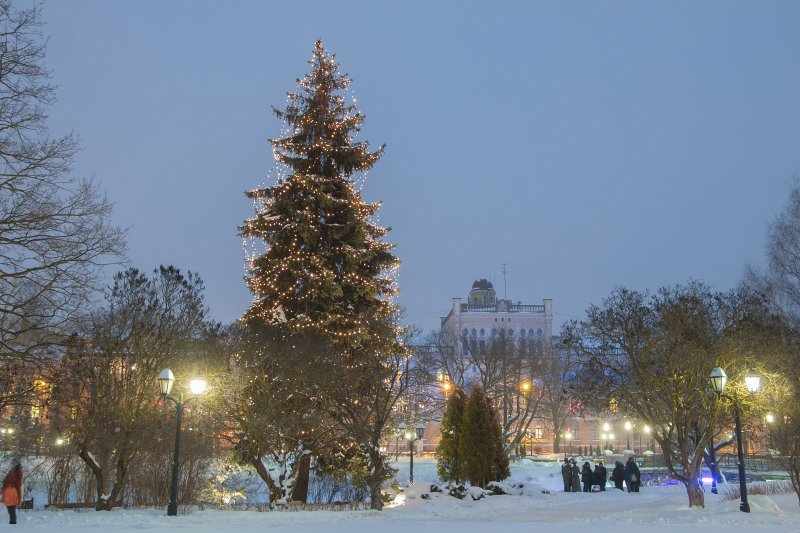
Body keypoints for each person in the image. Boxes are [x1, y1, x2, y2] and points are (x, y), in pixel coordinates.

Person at [2, 457, 22, 524]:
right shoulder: (12, 470)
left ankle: (13, 524)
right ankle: (12, 522)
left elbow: (18, 482)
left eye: (13, 463)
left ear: (17, 464)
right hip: (8, 491)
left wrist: (11, 484)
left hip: (14, 492)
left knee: (11, 509)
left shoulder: (19, 471)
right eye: (12, 463)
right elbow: (7, 478)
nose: (12, 464)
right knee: (9, 508)